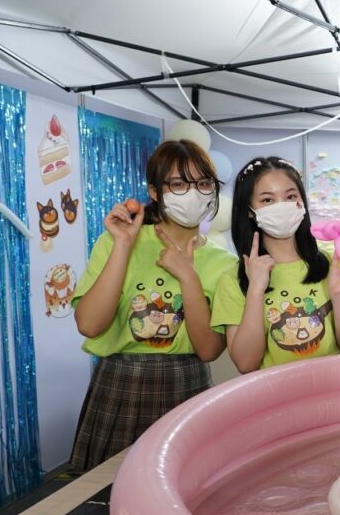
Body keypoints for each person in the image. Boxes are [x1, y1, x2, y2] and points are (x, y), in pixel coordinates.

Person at [70, 140, 236, 470]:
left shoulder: (225, 263)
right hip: (121, 381)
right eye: (179, 184)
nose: (193, 194)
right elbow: (89, 324)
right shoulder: (118, 239)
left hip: (187, 382)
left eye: (203, 183)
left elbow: (208, 351)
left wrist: (188, 276)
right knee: (108, 492)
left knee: (183, 487)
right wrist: (123, 246)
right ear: (155, 191)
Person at [210, 157, 340, 372]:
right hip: (275, 392)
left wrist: (337, 296)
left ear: (302, 202)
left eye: (291, 196)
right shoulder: (233, 279)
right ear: (249, 210)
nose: (281, 206)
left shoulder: (335, 265)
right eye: (267, 200)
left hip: (333, 386)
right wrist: (255, 290)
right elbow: (246, 364)